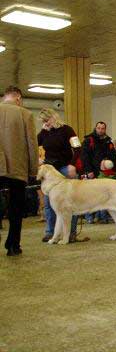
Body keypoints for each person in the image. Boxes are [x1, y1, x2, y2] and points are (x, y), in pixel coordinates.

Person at [0, 86, 39, 256]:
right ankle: (13, 245)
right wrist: (32, 170)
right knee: (16, 207)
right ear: (18, 98)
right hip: (17, 167)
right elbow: (32, 143)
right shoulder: (25, 114)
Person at [37, 108, 80, 242]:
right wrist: (38, 159)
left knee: (70, 202)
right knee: (49, 203)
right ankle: (51, 232)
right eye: (43, 121)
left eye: (47, 120)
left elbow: (78, 148)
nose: (46, 123)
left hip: (65, 167)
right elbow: (33, 145)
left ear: (54, 117)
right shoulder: (44, 133)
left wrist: (72, 164)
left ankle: (71, 233)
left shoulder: (67, 130)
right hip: (50, 172)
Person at [80, 121, 116, 223]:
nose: (100, 130)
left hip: (104, 173)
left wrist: (112, 170)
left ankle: (102, 217)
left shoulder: (108, 142)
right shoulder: (88, 140)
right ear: (95, 128)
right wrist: (88, 170)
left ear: (105, 129)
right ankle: (89, 217)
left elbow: (113, 157)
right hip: (91, 172)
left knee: (102, 196)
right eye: (99, 128)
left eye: (102, 128)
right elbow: (84, 156)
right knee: (89, 196)